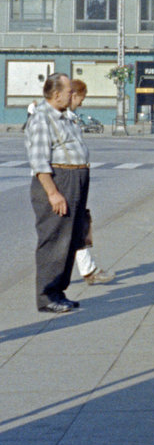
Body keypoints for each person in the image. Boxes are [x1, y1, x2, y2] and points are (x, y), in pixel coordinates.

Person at [27, 73, 91, 313]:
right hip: (58, 181)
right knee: (54, 239)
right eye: (68, 91)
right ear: (56, 95)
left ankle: (58, 291)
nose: (71, 95)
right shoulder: (42, 119)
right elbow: (39, 162)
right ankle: (46, 295)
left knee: (71, 238)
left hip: (74, 179)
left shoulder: (64, 117)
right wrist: (53, 193)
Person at [67, 80, 114, 285]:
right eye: (81, 99)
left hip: (76, 177)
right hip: (66, 179)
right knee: (67, 230)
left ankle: (87, 270)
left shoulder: (71, 118)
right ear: (72, 96)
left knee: (78, 225)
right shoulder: (60, 119)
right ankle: (57, 278)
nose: (81, 104)